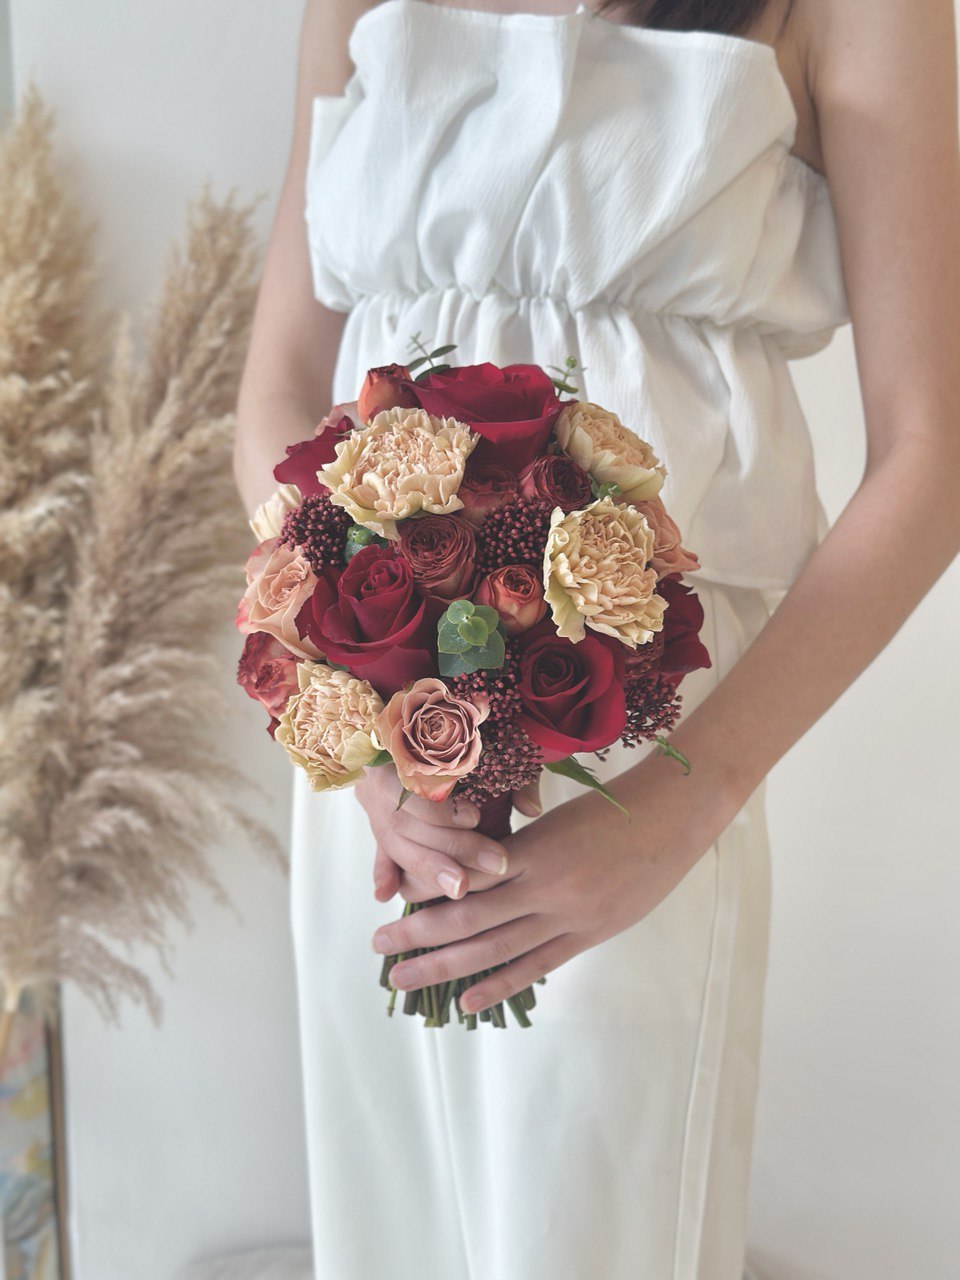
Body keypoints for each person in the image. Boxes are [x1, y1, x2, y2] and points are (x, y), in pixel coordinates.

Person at [232, 1, 960, 1276]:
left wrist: (684, 806)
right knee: (389, 1233)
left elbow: (934, 453)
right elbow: (280, 390)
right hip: (377, 769)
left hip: (647, 754)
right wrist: (356, 725)